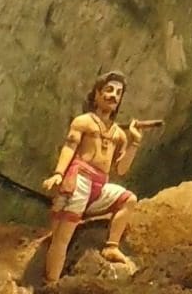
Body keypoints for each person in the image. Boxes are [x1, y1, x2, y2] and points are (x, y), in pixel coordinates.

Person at [41, 72, 161, 283]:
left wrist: (134, 142)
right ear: (96, 94)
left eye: (118, 92)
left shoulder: (118, 134)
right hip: (80, 180)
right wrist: (59, 173)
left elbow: (121, 169)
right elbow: (70, 146)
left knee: (128, 199)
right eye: (108, 90)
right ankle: (52, 284)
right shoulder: (83, 122)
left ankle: (111, 246)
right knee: (62, 238)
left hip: (100, 185)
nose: (113, 95)